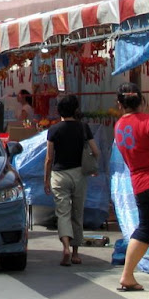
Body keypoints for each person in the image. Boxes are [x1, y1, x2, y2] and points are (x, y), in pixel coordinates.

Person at [114, 82, 149, 293]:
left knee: (145, 229)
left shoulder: (119, 126)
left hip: (138, 183)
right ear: (142, 100)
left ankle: (127, 275)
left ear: (120, 104)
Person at [43, 95, 100, 266]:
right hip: (79, 173)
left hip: (59, 175)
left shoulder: (53, 130)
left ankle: (66, 247)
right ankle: (75, 253)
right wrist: (92, 166)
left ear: (59, 110)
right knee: (77, 213)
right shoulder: (83, 127)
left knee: (63, 213)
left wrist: (46, 179)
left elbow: (49, 158)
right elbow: (95, 151)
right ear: (76, 110)